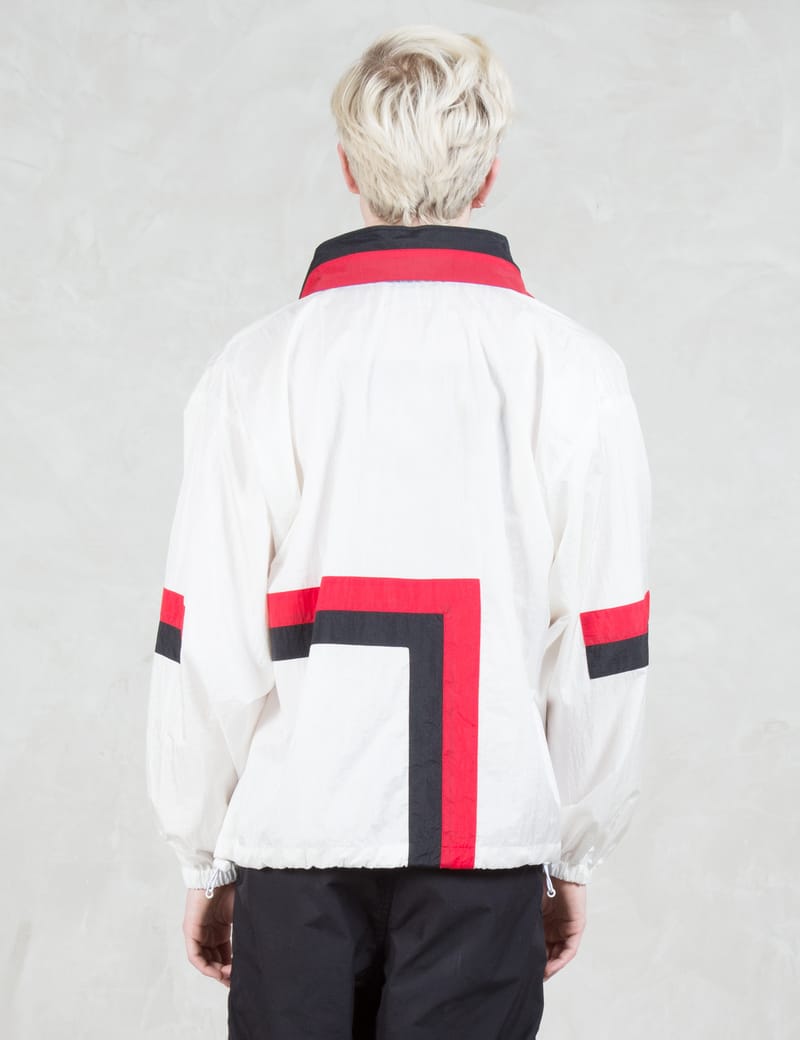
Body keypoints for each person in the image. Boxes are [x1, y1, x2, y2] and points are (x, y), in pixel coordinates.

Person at [145, 23, 652, 1040]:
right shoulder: (576, 372)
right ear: (488, 174)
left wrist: (202, 852)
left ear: (348, 167)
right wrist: (573, 848)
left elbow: (206, 642)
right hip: (484, 855)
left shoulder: (257, 369)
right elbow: (604, 644)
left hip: (295, 857)